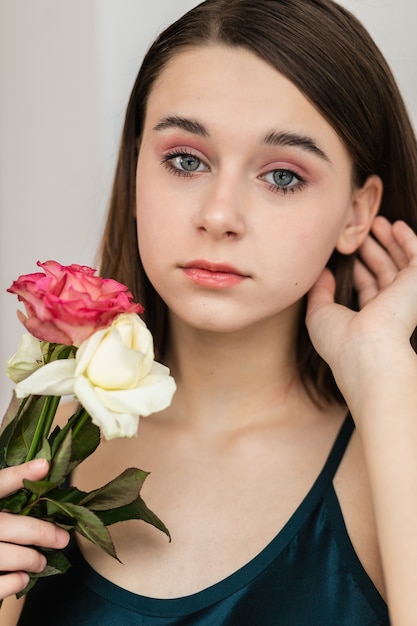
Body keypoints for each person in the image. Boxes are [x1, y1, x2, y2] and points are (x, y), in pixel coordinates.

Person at [2, 0, 417, 623]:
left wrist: (385, 374)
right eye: (186, 161)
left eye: (281, 176)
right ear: (137, 170)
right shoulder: (48, 427)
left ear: (358, 212)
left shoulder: (392, 450)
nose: (218, 216)